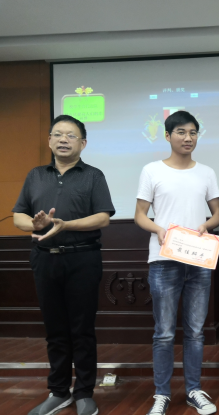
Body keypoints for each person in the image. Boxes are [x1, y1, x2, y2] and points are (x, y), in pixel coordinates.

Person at [13, 115, 115, 415]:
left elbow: (103, 217)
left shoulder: (93, 175)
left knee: (82, 329)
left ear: (83, 143)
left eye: (71, 135)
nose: (63, 140)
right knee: (55, 329)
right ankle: (58, 392)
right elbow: (18, 215)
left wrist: (64, 224)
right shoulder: (35, 175)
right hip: (45, 259)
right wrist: (35, 224)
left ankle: (83, 392)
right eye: (57, 134)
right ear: (49, 141)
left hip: (83, 258)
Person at [135, 110, 219, 415]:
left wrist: (206, 225)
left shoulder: (206, 172)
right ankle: (162, 394)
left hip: (198, 259)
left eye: (193, 132)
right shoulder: (152, 171)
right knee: (164, 332)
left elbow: (218, 215)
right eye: (181, 132)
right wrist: (158, 229)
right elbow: (140, 215)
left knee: (196, 331)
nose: (188, 138)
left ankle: (194, 390)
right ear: (167, 135)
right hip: (164, 260)